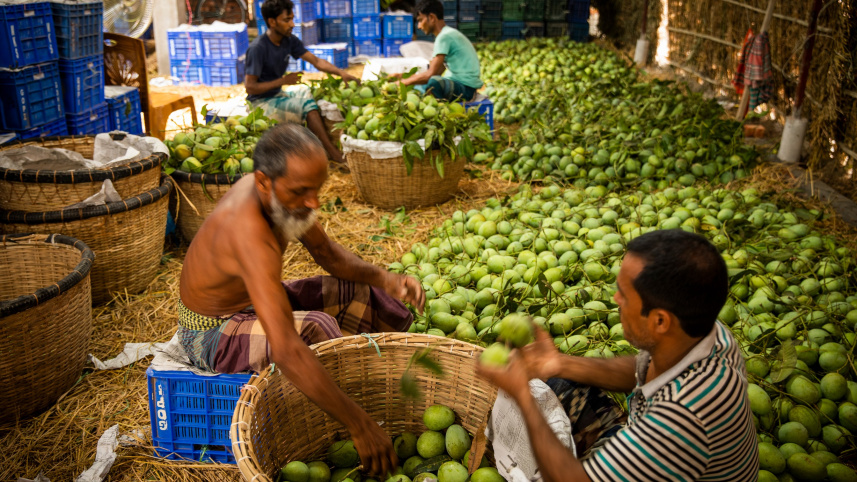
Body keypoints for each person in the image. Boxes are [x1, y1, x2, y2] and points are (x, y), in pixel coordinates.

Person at [177, 123, 425, 476]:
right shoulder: (248, 231)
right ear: (264, 182)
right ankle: (348, 422)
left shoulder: (284, 197)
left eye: (318, 189)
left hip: (251, 302)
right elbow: (287, 351)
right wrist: (360, 424)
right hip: (212, 331)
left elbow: (327, 253)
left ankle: (367, 388)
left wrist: (386, 279)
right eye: (302, 191)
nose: (314, 202)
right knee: (315, 329)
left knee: (358, 294)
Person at [478, 229, 759, 482]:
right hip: (667, 456)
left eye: (624, 294)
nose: (615, 300)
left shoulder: (681, 417)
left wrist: (522, 397)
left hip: (664, 447)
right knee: (558, 385)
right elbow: (641, 369)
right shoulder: (707, 332)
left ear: (660, 321)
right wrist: (560, 363)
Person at [245, 0, 358, 168]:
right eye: (286, 20)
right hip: (259, 104)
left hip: (277, 95)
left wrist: (342, 74)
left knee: (307, 92)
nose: (292, 24)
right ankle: (332, 154)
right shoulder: (258, 48)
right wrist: (283, 81)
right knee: (306, 104)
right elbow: (250, 87)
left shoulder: (288, 40)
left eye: (292, 18)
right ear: (272, 22)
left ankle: (316, 150)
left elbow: (317, 61)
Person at [388, 0, 483, 101]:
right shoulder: (447, 34)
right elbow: (436, 71)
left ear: (432, 17)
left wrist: (403, 82)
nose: (419, 26)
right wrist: (402, 76)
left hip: (466, 89)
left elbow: (431, 75)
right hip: (461, 85)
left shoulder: (444, 37)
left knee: (434, 83)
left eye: (420, 20)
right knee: (420, 87)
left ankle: (435, 110)